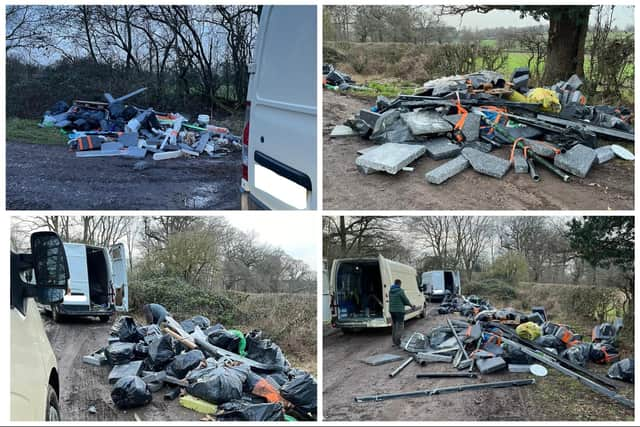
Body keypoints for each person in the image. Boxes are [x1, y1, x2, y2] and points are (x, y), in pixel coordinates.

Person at [388, 279, 416, 346]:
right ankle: (398, 342)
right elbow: (405, 300)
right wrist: (411, 306)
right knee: (400, 327)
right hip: (399, 311)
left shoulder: (390, 291)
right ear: (399, 284)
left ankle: (394, 342)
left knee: (394, 326)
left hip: (392, 311)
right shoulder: (400, 291)